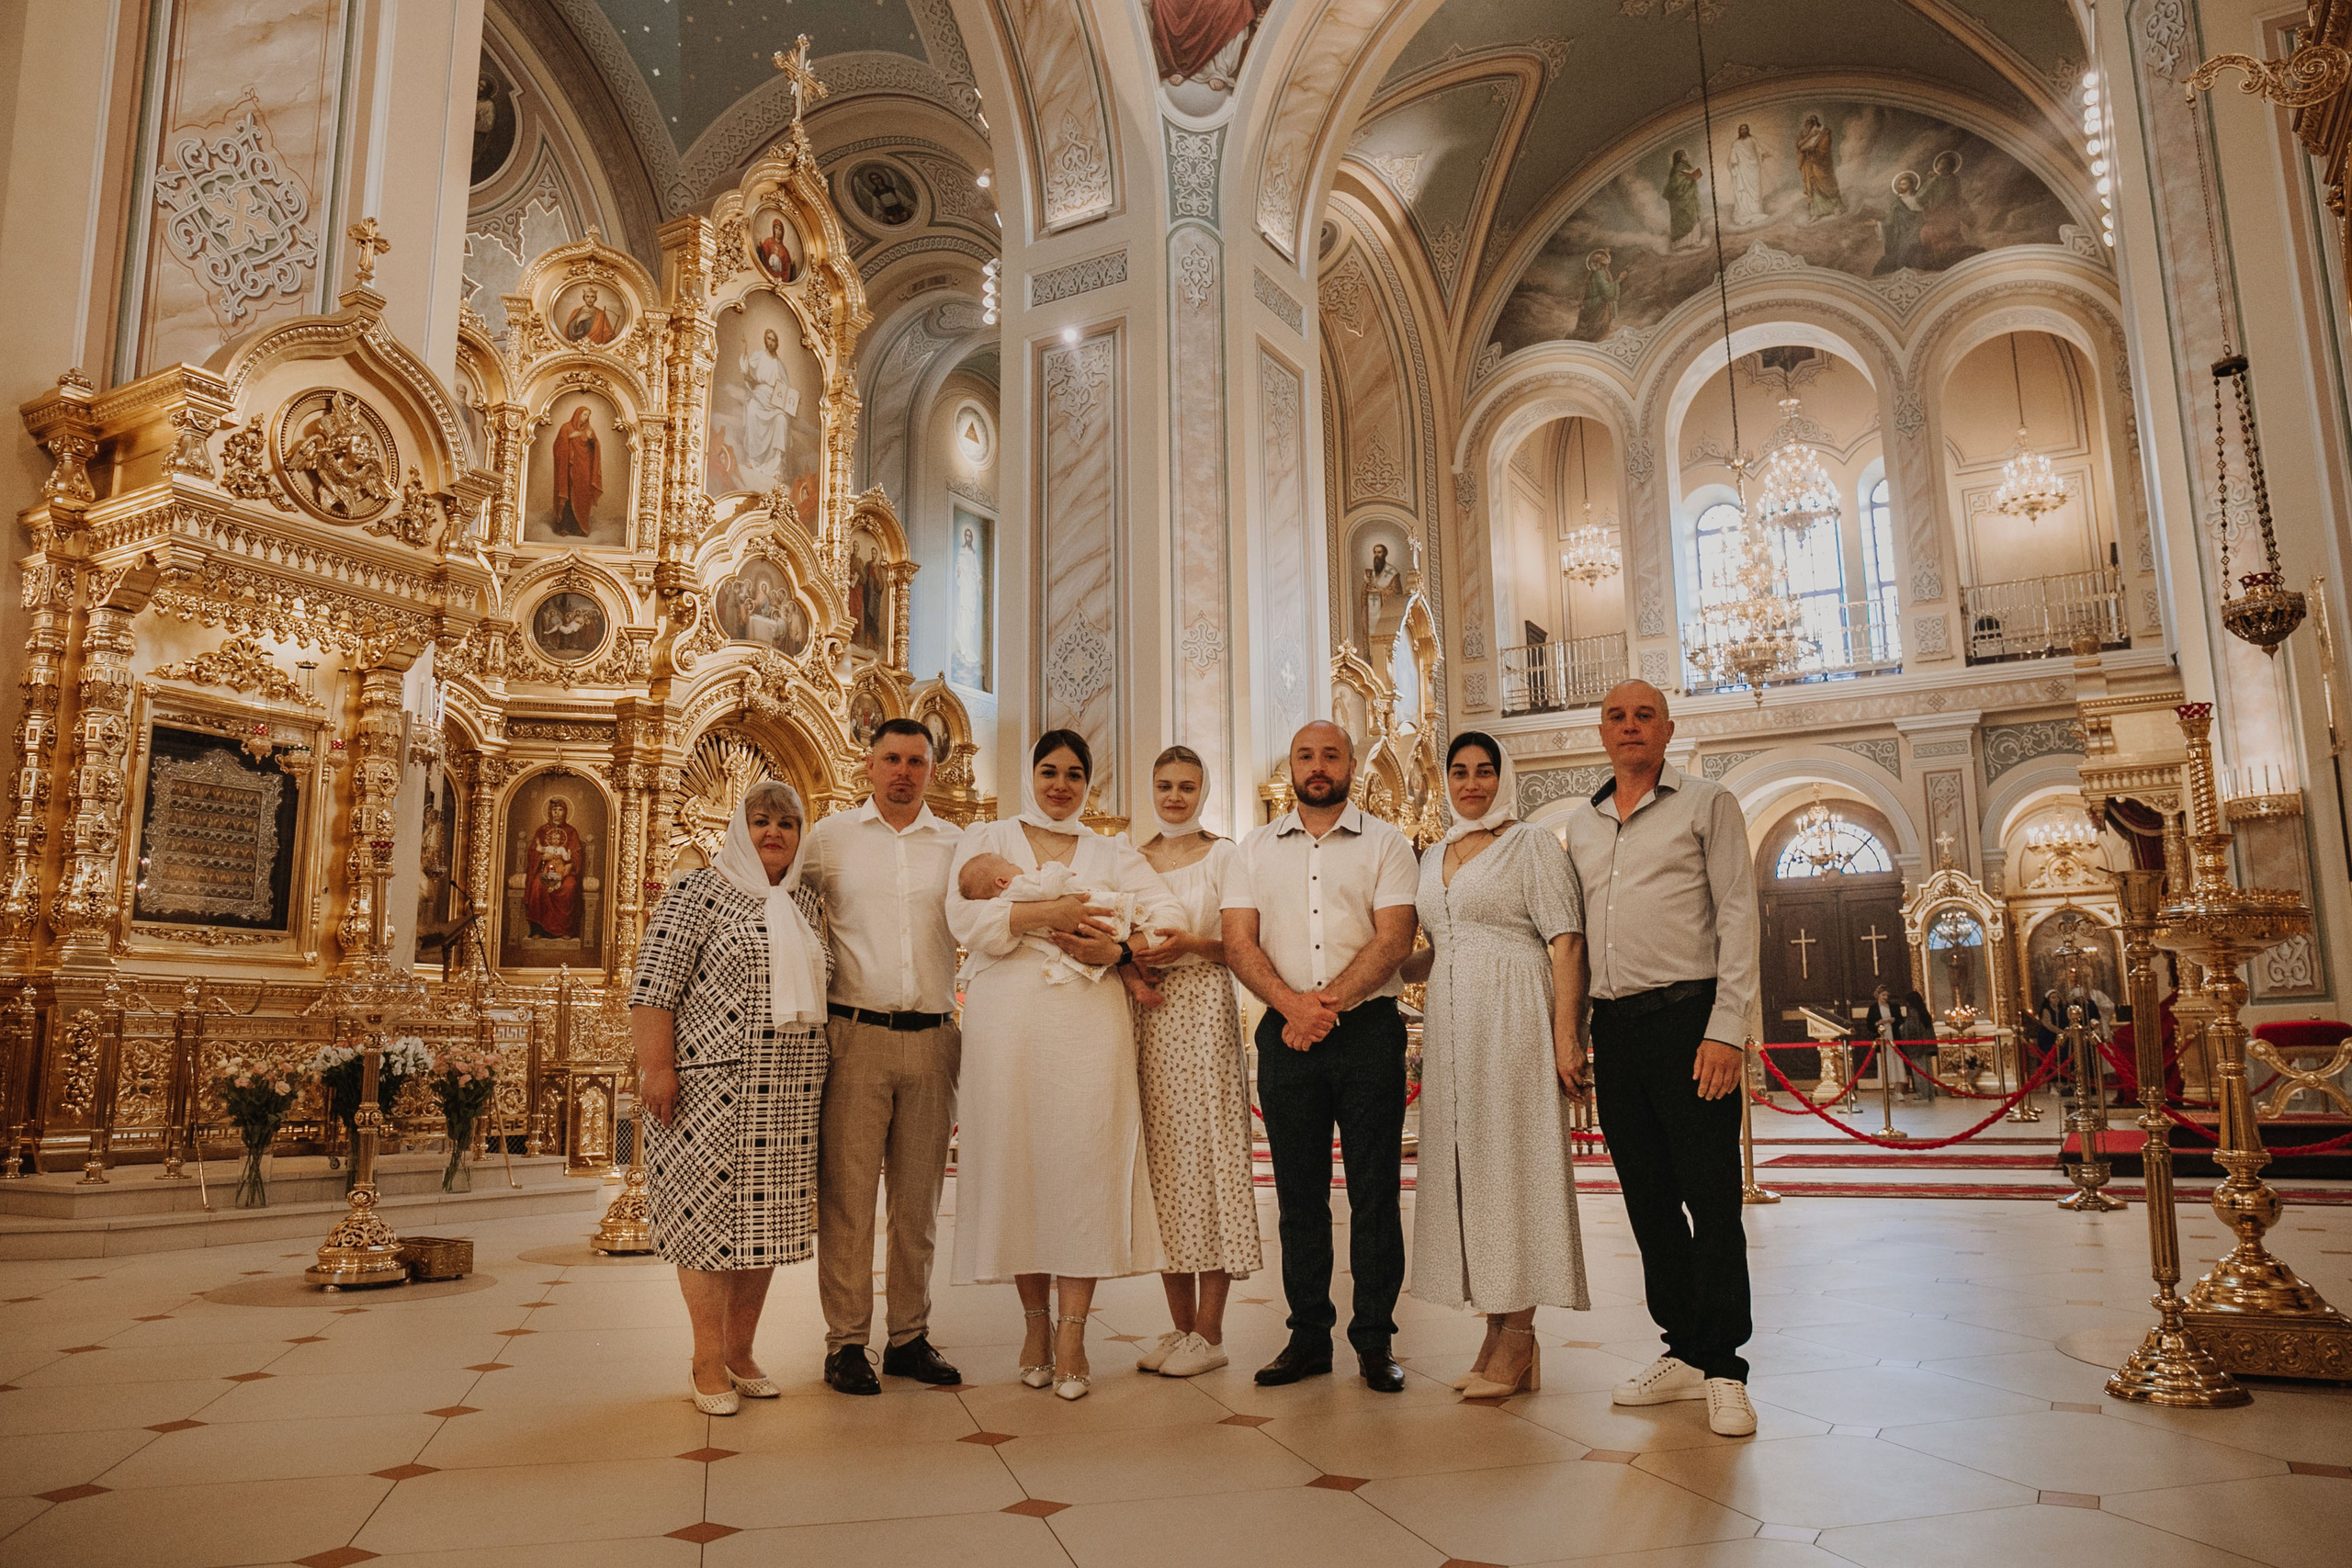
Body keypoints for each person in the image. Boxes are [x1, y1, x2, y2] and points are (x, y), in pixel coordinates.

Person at [948, 729, 1185, 1400]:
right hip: (1007, 1022)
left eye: (1073, 773)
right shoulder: (986, 836)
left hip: (1087, 1020)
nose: (1060, 783)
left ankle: (1074, 1332)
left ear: (1088, 783)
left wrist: (1117, 951)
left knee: (1083, 1165)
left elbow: (1167, 916)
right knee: (1020, 1164)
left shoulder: (1111, 849)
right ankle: (1032, 1325)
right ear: (1030, 772)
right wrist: (1046, 912)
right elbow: (962, 920)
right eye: (1048, 770)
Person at [1561, 681, 1760, 1438]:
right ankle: (1682, 1348)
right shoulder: (1580, 825)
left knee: (1711, 1199)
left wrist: (1727, 1027)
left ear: (1668, 730)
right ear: (1601, 731)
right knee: (1647, 1200)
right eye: (1617, 715)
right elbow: (1572, 937)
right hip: (1615, 1030)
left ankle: (1725, 1369)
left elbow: (1738, 913)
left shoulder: (1708, 803)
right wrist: (1573, 1029)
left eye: (1645, 715)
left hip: (1690, 1022)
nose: (1630, 726)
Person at [1223, 721, 1420, 1392]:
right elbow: (1238, 942)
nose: (1317, 766)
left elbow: (1395, 938)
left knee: (1375, 1194)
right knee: (1298, 1197)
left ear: (1351, 765)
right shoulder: (1253, 849)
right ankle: (1308, 1335)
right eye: (1305, 755)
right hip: (1286, 1037)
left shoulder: (1387, 843)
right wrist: (1292, 1005)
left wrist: (1324, 1004)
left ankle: (1374, 1340)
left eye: (1329, 755)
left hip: (1367, 1033)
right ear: (1292, 766)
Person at [1398, 732, 1589, 1398]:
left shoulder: (1530, 842)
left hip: (1515, 1016)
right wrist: (1379, 968)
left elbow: (1566, 940)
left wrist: (1568, 1036)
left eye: (1484, 771)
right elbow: (1437, 943)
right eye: (1459, 771)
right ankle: (1495, 1326)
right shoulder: (1434, 853)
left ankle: (1521, 1336)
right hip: (1453, 1025)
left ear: (1503, 776)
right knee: (1470, 1169)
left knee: (1515, 1165)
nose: (1471, 782)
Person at [630, 782, 830, 1415]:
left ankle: (742, 1352)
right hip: (709, 1090)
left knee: (762, 1229)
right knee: (706, 1227)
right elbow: (652, 986)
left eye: (788, 822)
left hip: (791, 1093)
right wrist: (657, 1067)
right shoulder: (699, 890)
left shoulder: (806, 901)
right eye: (762, 820)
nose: (775, 831)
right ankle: (705, 1357)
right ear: (741, 830)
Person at [797, 719, 967, 1395]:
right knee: (847, 1197)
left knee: (919, 1199)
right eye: (891, 759)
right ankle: (845, 1343)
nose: (903, 770)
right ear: (868, 766)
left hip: (934, 1034)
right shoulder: (831, 838)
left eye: (916, 760)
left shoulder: (957, 844)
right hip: (854, 1033)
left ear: (932, 768)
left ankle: (909, 1336)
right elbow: (780, 903)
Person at [1127, 746, 1263, 1379]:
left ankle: (1210, 1331)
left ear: (1204, 790)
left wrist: (1190, 945)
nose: (1175, 796)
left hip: (1204, 1009)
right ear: (1150, 789)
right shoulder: (1134, 857)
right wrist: (1132, 960)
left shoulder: (1224, 853)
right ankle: (1180, 1328)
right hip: (1148, 1016)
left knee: (1207, 1161)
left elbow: (1240, 945)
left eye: (1186, 785)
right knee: (1162, 1169)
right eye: (1164, 785)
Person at [524, 799, 583, 939]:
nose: (557, 813)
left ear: (566, 812)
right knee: (538, 885)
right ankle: (538, 929)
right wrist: (543, 856)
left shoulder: (571, 832)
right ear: (549, 812)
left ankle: (565, 929)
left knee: (569, 886)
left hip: (564, 872)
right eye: (554, 810)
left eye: (560, 810)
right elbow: (533, 852)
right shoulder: (542, 830)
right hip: (546, 869)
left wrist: (570, 864)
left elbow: (576, 856)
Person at [549, 406, 600, 538]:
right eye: (584, 415)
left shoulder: (589, 430)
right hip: (568, 469)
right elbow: (557, 448)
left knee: (582, 496)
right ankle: (565, 527)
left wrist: (591, 440)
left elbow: (595, 449)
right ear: (577, 414)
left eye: (588, 415)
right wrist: (570, 438)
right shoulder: (566, 428)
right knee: (568, 496)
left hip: (584, 469)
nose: (586, 418)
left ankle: (580, 528)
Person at [1796, 114, 1843, 219]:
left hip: (1822, 164)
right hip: (1809, 164)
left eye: (1810, 123)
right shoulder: (1805, 134)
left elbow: (1824, 149)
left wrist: (1812, 149)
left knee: (1828, 184)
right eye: (1807, 123)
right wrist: (1810, 137)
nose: (1807, 126)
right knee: (1813, 186)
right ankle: (1817, 213)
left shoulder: (1824, 132)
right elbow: (1799, 146)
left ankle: (1836, 207)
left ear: (1815, 123)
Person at [1727, 123, 1769, 227]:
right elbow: (1733, 156)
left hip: (1753, 167)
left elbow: (1759, 149)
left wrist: (1763, 153)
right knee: (1744, 191)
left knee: (1756, 188)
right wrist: (1734, 162)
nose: (1744, 131)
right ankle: (1745, 212)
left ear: (1748, 130)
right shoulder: (1736, 144)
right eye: (1741, 129)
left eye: (1745, 129)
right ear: (1739, 131)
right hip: (1742, 169)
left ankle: (1757, 211)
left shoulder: (1752, 139)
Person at [1662, 149, 1705, 248]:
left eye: (1685, 155)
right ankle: (1682, 244)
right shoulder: (1677, 168)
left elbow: (1688, 179)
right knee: (1686, 218)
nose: (1686, 157)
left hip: (1690, 198)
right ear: (1680, 158)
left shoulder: (1687, 167)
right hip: (1681, 201)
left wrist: (1693, 178)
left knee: (1693, 217)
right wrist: (1690, 180)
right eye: (1684, 155)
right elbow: (1676, 184)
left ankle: (1693, 242)